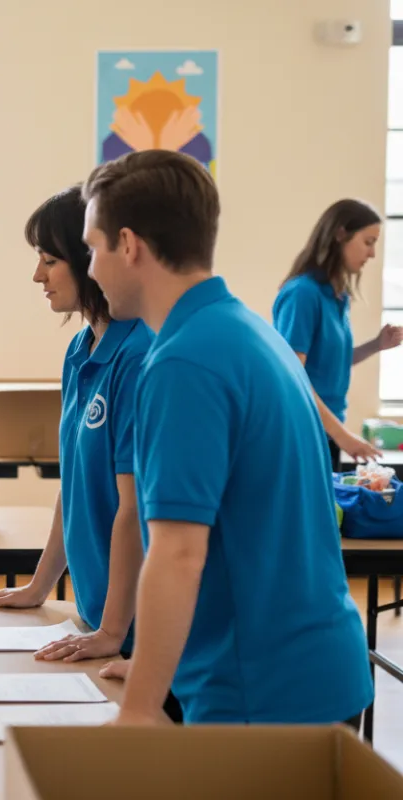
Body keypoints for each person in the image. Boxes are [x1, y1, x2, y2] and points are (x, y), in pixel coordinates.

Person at [81, 149, 372, 728]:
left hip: (258, 689)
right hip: (313, 668)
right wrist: (153, 669)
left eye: (93, 246)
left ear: (130, 245)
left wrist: (138, 710)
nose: (90, 267)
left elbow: (179, 554)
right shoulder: (246, 330)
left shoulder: (183, 363)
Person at [0, 187, 152, 671]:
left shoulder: (137, 356)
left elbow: (133, 510)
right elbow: (74, 487)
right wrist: (38, 585)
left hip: (138, 627)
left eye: (50, 260)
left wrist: (114, 630)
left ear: (90, 259)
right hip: (98, 617)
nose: (37, 275)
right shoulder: (79, 350)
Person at [272, 199, 403, 472]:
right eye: (368, 242)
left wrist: (376, 346)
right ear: (340, 234)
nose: (372, 254)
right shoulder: (303, 294)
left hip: (328, 432)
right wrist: (343, 436)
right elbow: (292, 375)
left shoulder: (336, 297)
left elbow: (331, 362)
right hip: (303, 432)